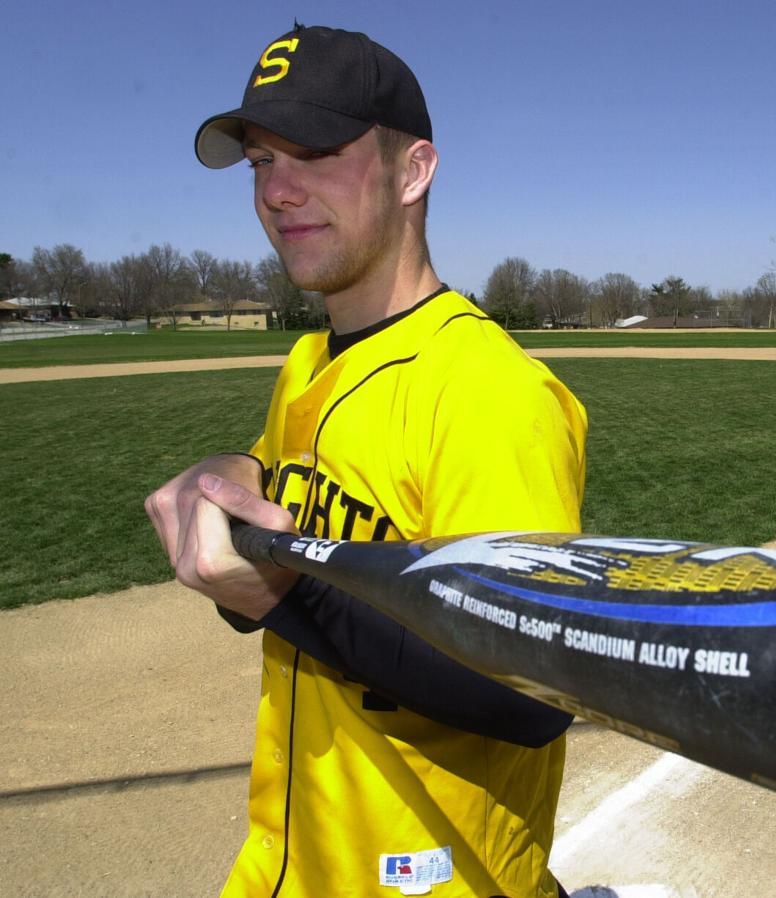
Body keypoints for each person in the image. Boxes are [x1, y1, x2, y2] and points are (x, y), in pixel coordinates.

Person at [145, 24, 587, 898]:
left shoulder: (489, 391)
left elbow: (532, 694)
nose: (278, 190)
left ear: (413, 170)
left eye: (313, 151)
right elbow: (273, 527)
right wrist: (231, 468)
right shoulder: (308, 366)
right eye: (261, 162)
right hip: (293, 861)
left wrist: (282, 590)